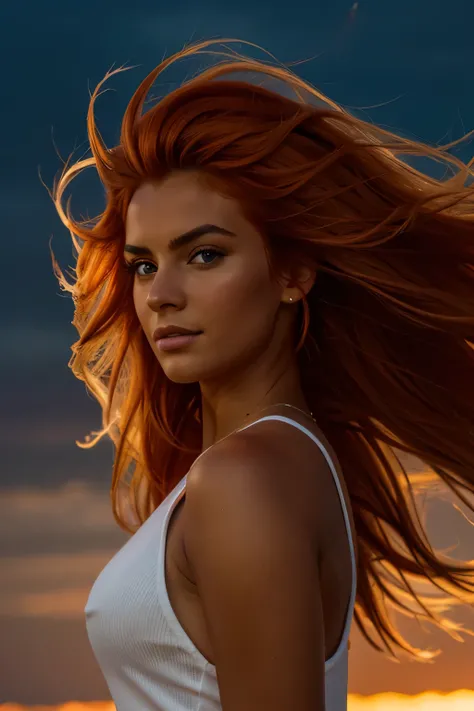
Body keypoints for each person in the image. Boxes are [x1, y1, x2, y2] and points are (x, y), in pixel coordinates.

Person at [49, 38, 474, 711]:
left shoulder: (246, 478)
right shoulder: (274, 465)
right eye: (143, 264)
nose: (160, 294)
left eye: (205, 254)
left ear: (292, 272)